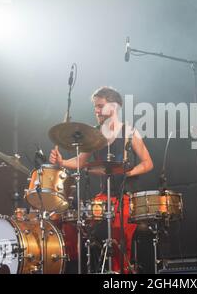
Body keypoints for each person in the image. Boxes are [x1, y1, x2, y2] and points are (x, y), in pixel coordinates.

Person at [49, 86, 153, 273]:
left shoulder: (129, 132)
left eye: (100, 106)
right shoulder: (94, 135)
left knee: (118, 228)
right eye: (95, 107)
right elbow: (81, 161)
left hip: (125, 197)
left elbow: (148, 163)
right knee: (75, 221)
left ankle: (121, 271)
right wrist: (62, 161)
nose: (96, 110)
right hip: (103, 197)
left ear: (113, 107)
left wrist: (128, 173)